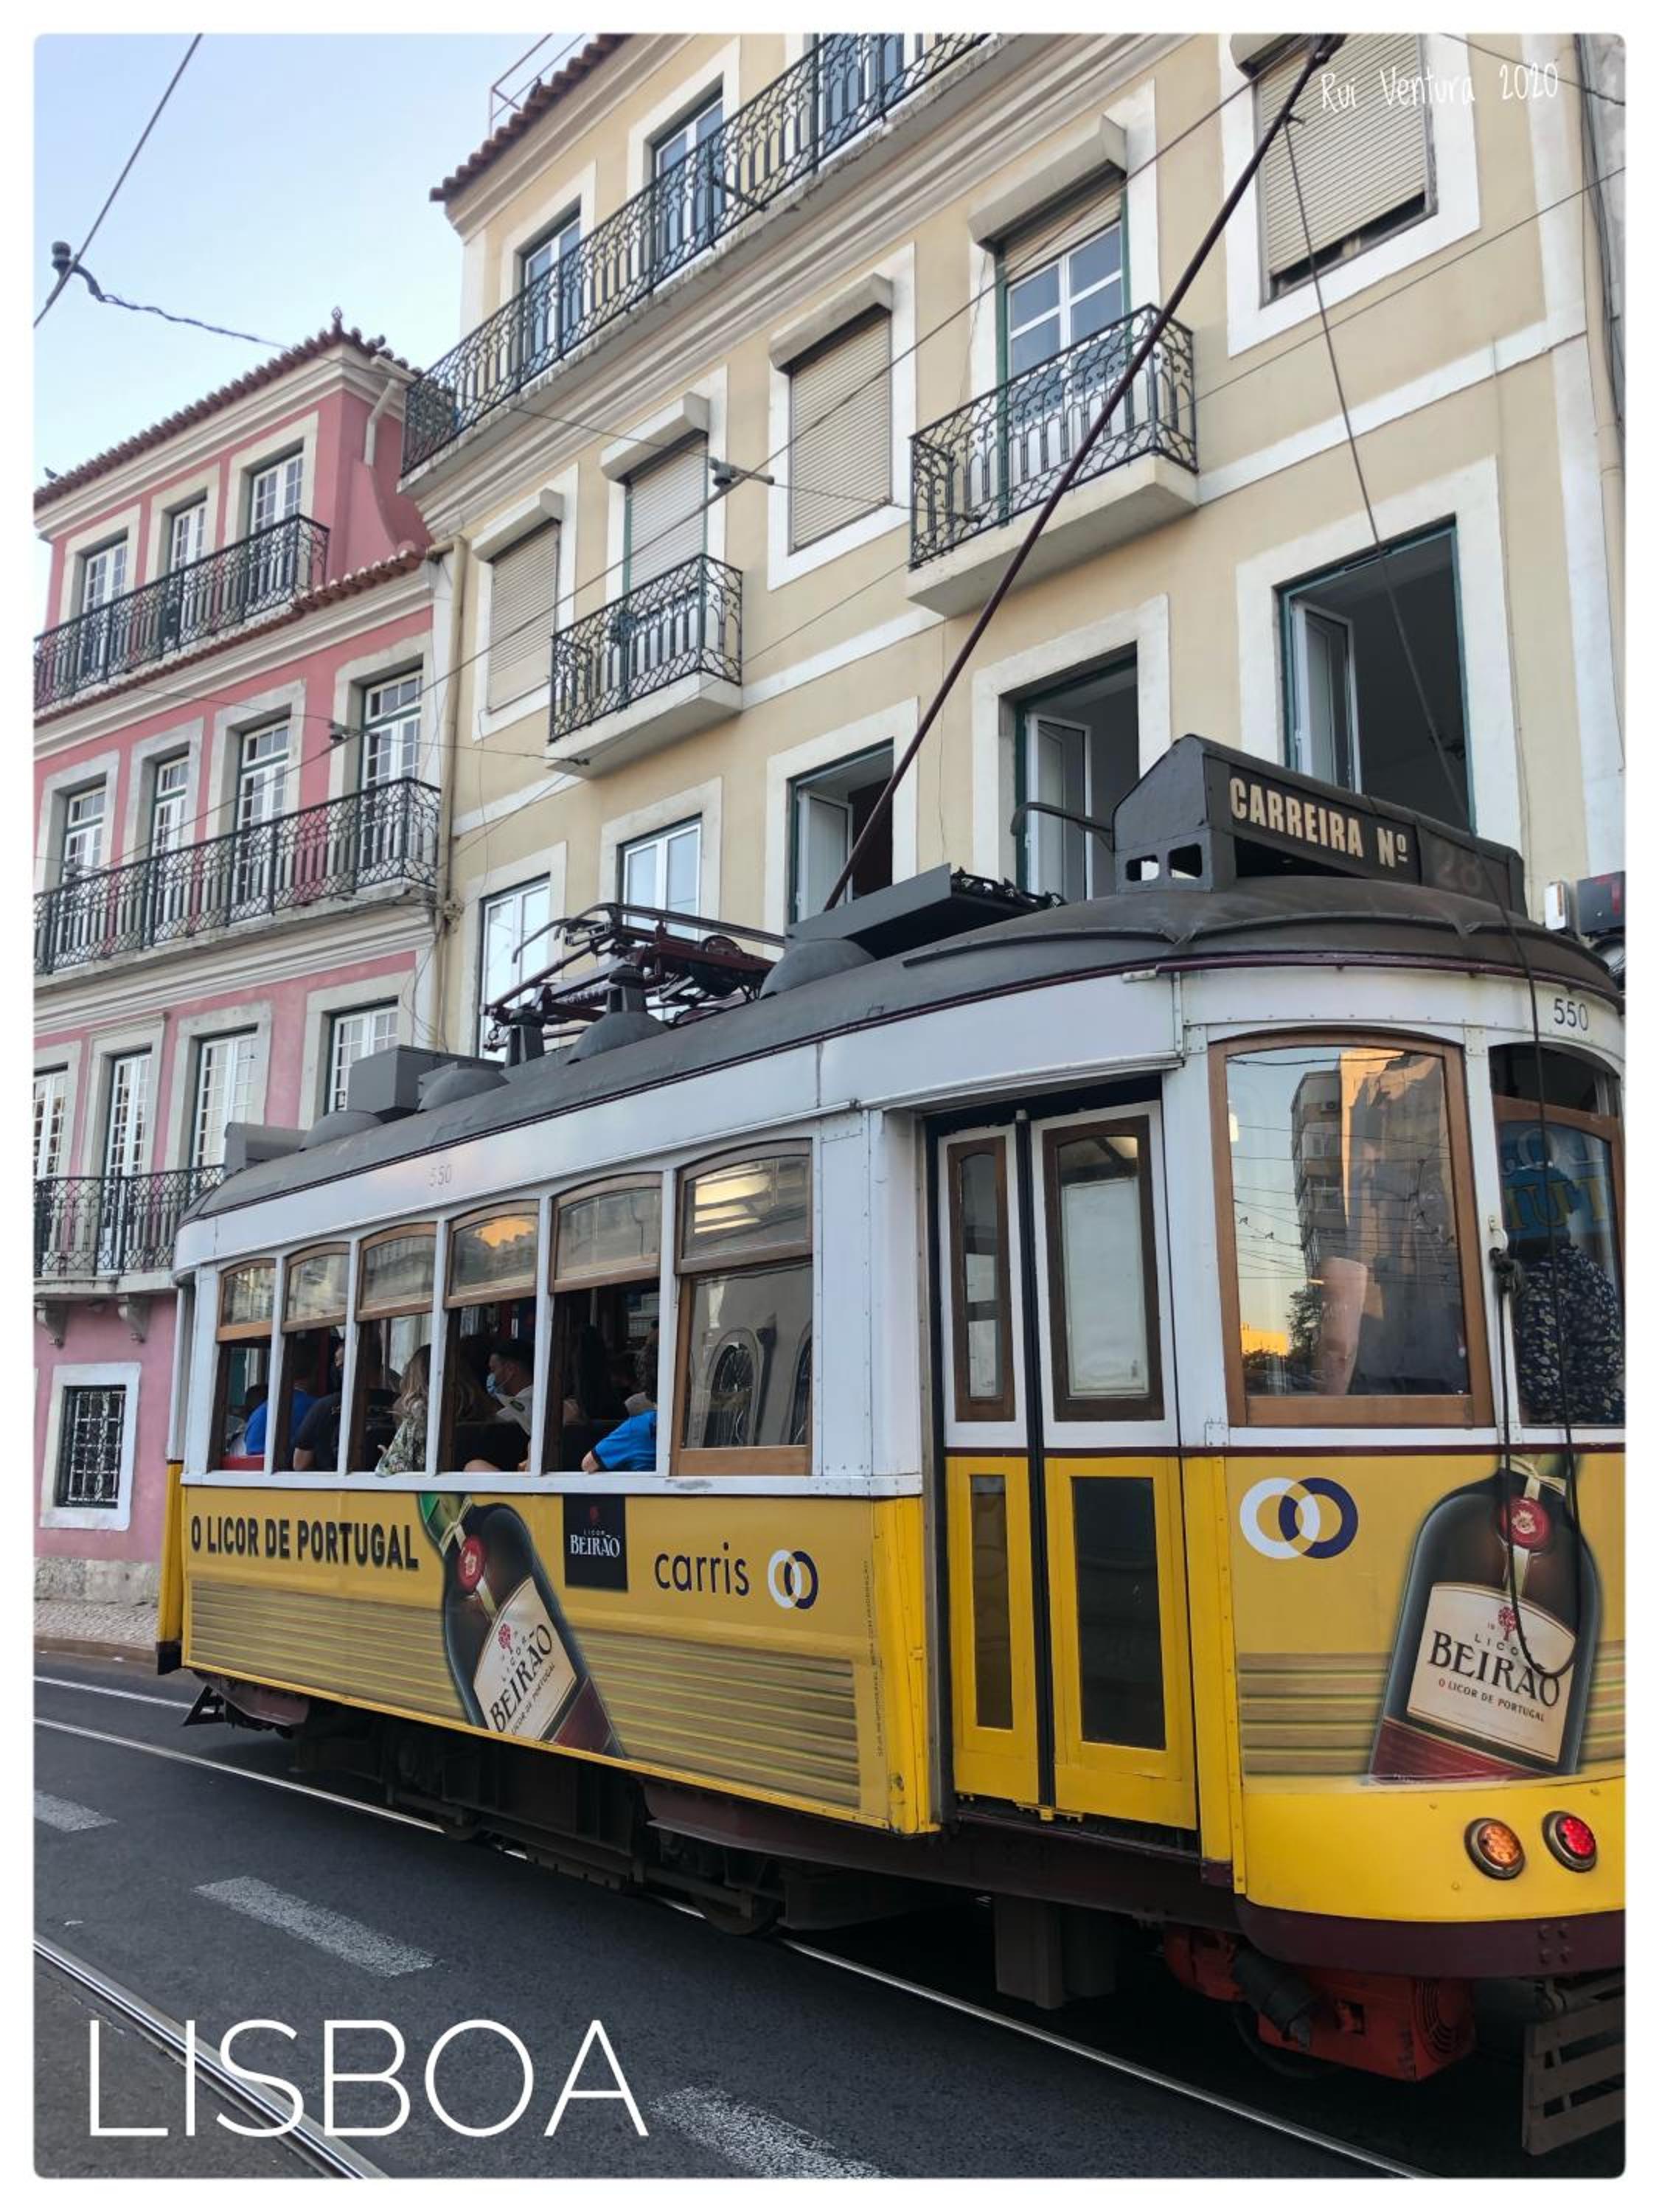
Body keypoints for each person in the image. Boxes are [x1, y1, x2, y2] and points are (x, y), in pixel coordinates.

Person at [293, 1343, 393, 1472]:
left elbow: (300, 1465)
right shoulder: (399, 1404)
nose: (336, 1369)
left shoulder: (324, 1406)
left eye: (341, 1365)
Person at [489, 1334, 538, 1436]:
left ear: (511, 1369)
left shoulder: (505, 1418)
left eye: (493, 1370)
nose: (491, 1377)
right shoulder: (543, 1399)